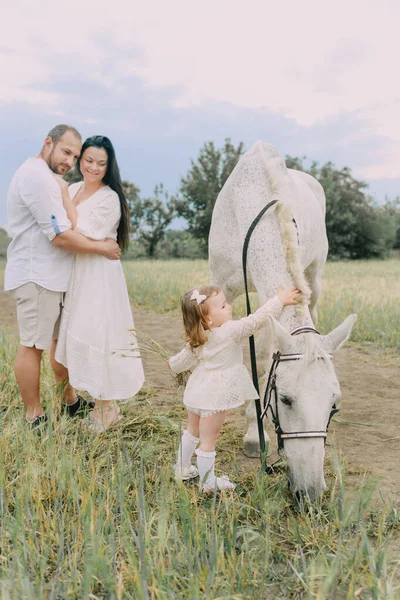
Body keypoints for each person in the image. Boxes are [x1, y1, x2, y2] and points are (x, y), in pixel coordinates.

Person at [4, 125, 121, 431]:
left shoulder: (52, 180)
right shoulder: (39, 178)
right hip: (36, 275)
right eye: (66, 152)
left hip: (52, 278)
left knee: (57, 344)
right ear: (48, 143)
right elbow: (59, 235)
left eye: (74, 155)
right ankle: (35, 416)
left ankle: (69, 401)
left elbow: (67, 222)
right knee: (32, 346)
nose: (71, 161)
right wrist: (103, 248)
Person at [168, 284, 301, 492]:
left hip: (197, 393)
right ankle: (207, 482)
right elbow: (257, 320)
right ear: (208, 319)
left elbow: (178, 364)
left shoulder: (197, 338)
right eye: (222, 306)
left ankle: (182, 468)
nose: (228, 306)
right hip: (215, 397)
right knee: (209, 440)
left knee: (192, 431)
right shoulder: (230, 331)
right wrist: (279, 301)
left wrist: (171, 363)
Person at [53, 135, 145, 432]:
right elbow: (63, 230)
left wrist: (64, 195)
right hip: (75, 272)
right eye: (89, 160)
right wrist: (68, 198)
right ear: (80, 160)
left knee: (99, 333)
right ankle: (91, 399)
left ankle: (107, 407)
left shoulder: (110, 198)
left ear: (109, 166)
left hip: (99, 276)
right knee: (78, 333)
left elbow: (82, 230)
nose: (93, 167)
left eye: (101, 163)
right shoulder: (76, 187)